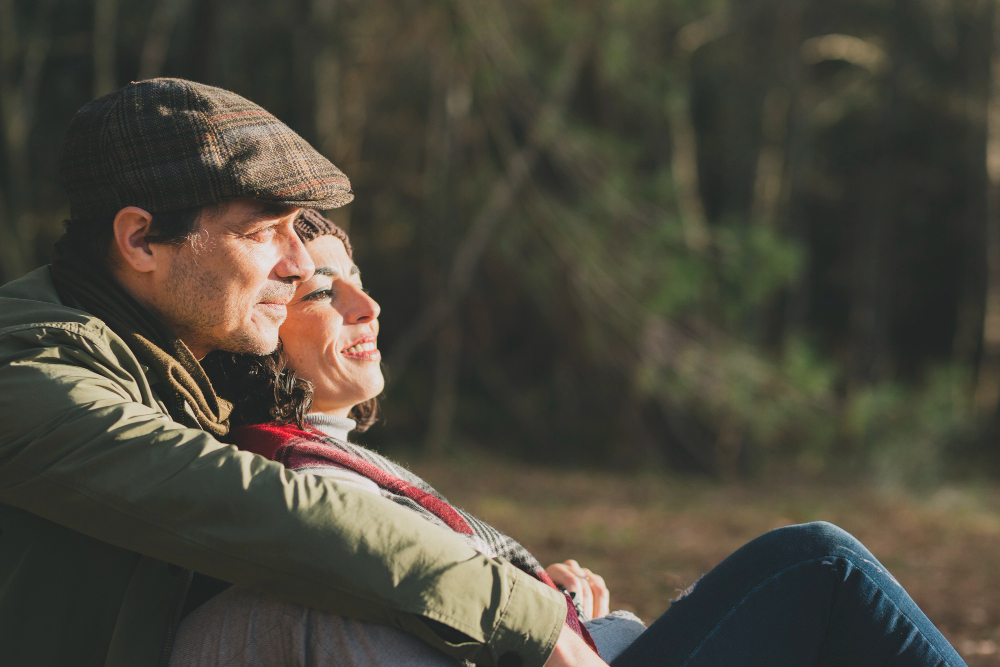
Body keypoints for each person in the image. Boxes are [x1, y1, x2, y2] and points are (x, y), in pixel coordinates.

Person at [191, 210, 969, 667]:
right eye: (324, 291)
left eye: (358, 277)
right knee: (817, 562)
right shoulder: (294, 478)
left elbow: (424, 596)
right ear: (258, 325)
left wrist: (535, 584)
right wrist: (534, 616)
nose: (369, 305)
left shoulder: (325, 456)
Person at [0, 78, 587, 667]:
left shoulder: (175, 366)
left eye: (297, 227)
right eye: (261, 233)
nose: (300, 264)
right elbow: (255, 510)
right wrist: (523, 616)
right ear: (141, 239)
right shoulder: (28, 368)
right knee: (320, 607)